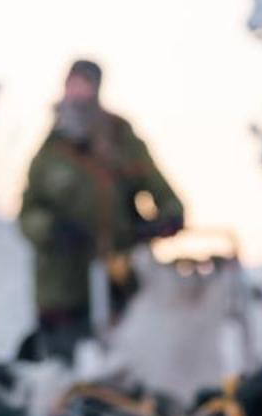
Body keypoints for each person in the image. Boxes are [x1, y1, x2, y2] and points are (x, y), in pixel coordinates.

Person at [16, 59, 185, 362]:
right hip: (64, 291)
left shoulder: (121, 139)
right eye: (74, 85)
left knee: (133, 363)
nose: (80, 93)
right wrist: (52, 229)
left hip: (121, 283)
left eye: (87, 85)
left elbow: (158, 186)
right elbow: (28, 215)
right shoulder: (50, 154)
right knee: (68, 369)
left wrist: (168, 217)